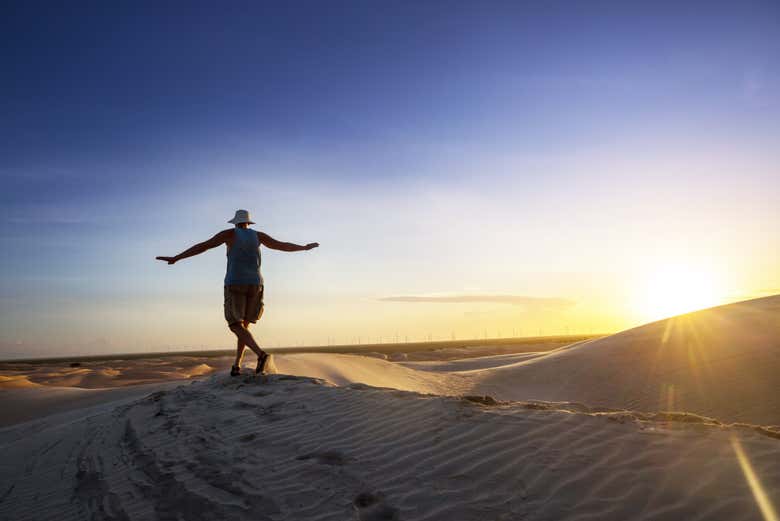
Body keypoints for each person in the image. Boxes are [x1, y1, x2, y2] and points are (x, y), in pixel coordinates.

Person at [156, 209, 319, 376]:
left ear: (235, 222)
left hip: (235, 283)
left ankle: (261, 355)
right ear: (249, 222)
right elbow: (282, 246)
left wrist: (176, 258)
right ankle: (237, 366)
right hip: (256, 284)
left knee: (235, 324)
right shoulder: (258, 236)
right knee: (244, 327)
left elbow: (203, 247)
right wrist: (304, 248)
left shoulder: (229, 234)